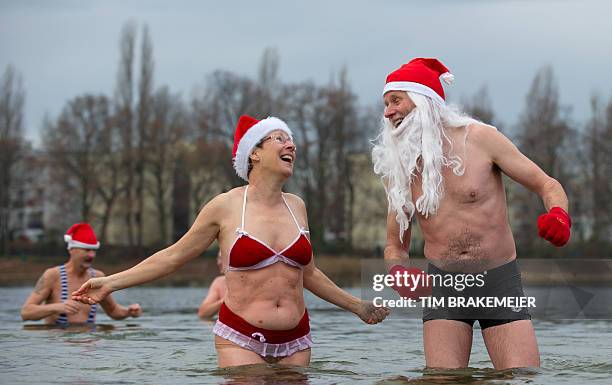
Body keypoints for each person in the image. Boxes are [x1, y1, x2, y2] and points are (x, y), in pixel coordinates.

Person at [72, 115, 390, 367]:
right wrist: (111, 283)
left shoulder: (297, 206)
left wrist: (357, 306)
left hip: (296, 339)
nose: (290, 145)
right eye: (280, 138)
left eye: (291, 140)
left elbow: (310, 274)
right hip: (241, 336)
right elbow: (172, 257)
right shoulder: (225, 206)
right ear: (254, 152)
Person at [372, 58, 571, 369]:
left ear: (423, 101)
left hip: (499, 280)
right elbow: (394, 245)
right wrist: (398, 272)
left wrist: (559, 215)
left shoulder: (480, 138)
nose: (387, 112)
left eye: (395, 100)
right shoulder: (402, 169)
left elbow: (547, 184)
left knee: (520, 380)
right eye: (385, 104)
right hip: (444, 286)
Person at [21, 223, 142, 325]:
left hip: (88, 343)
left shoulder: (98, 277)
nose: (91, 255)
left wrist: (129, 312)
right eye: (87, 250)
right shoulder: (52, 275)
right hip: (58, 343)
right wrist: (56, 307)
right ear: (71, 249)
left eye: (94, 250)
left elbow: (113, 311)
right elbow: (26, 313)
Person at [198, 251, 228, 320]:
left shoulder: (252, 280)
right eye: (218, 258)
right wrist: (224, 300)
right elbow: (202, 313)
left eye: (222, 259)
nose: (218, 262)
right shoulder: (219, 282)